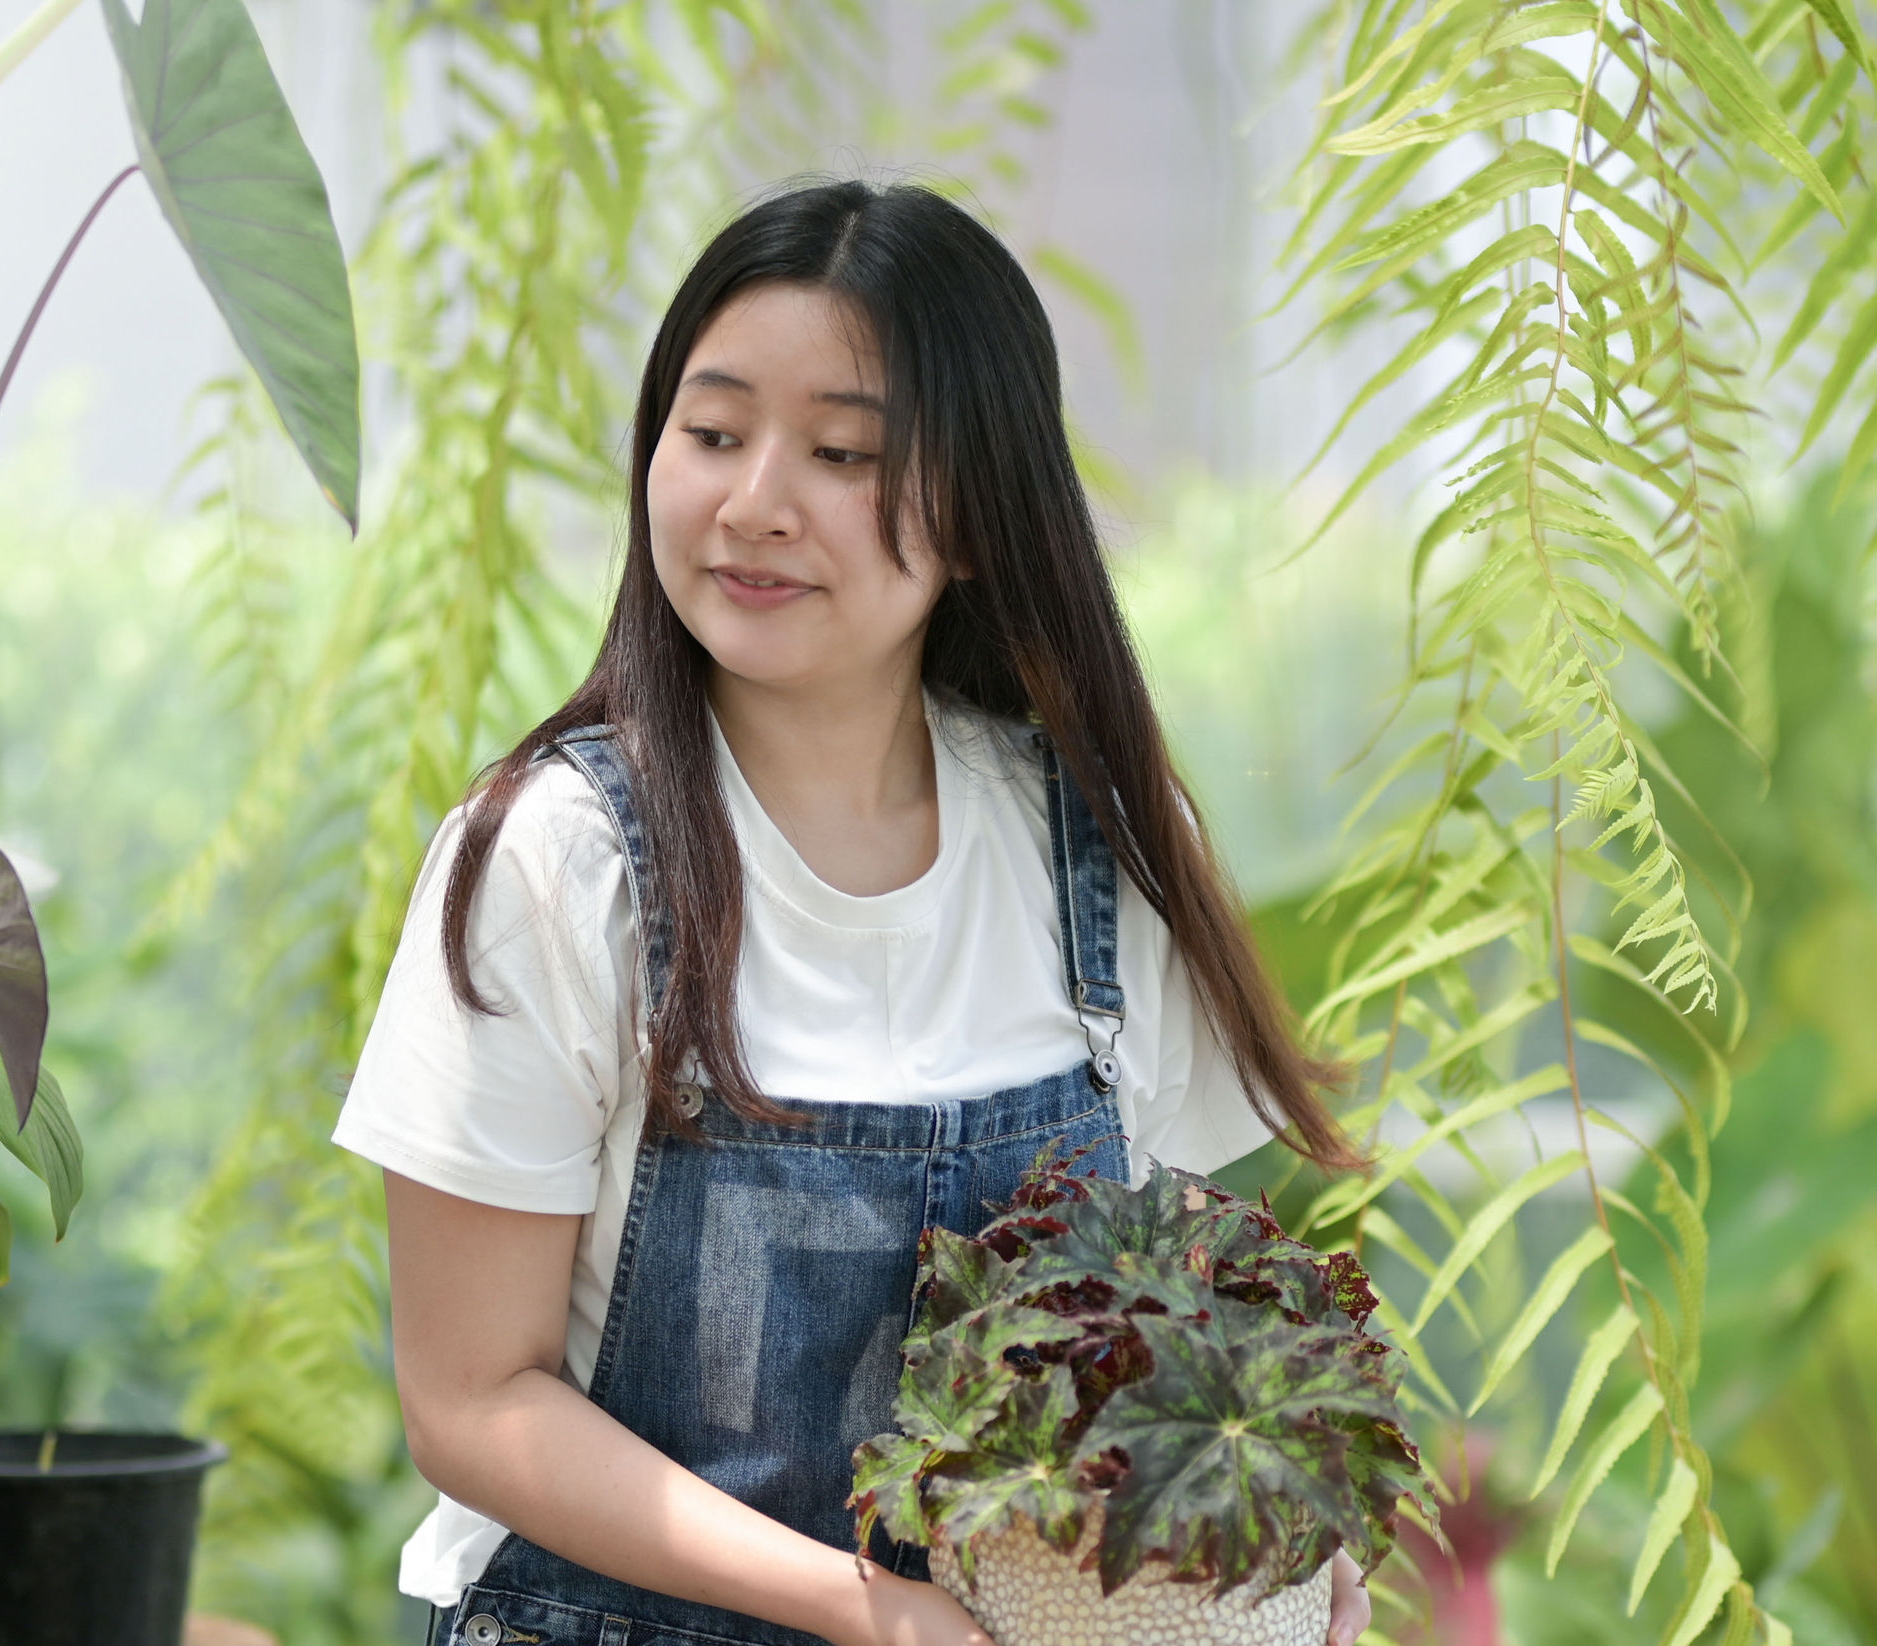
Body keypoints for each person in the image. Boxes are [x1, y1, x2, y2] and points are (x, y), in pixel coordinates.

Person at [339, 177, 1374, 1646]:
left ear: (976, 510)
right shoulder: (555, 861)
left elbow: (1174, 1279)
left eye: (841, 452)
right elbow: (469, 1400)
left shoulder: (1097, 842)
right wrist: (864, 1609)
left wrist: (1267, 1521)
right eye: (711, 433)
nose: (756, 503)